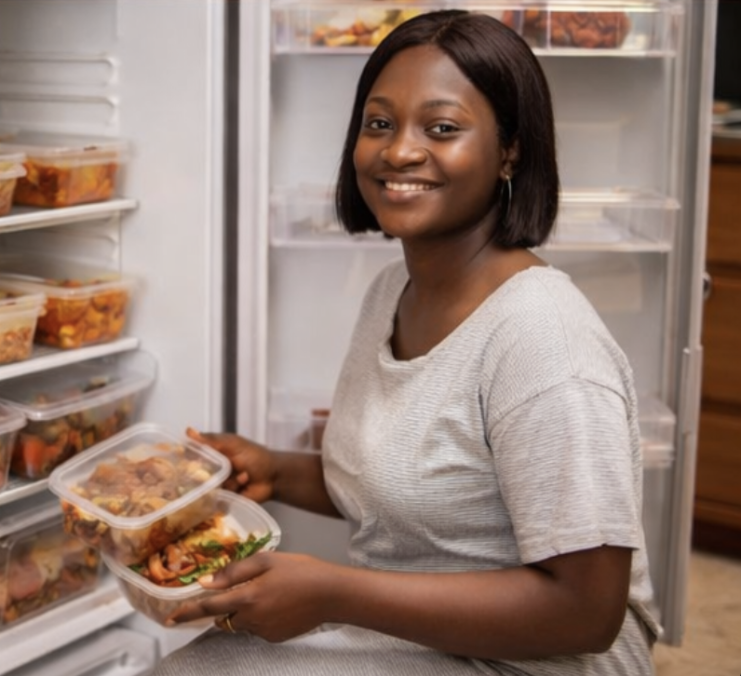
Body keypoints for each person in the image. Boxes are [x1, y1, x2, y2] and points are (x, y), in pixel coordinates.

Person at [153, 9, 661, 676]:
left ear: (510, 149)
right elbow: (412, 487)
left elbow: (586, 613)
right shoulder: (394, 289)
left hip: (541, 660)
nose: (398, 151)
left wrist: (336, 592)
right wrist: (272, 469)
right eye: (379, 124)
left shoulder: (544, 340)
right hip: (412, 629)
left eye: (442, 128)